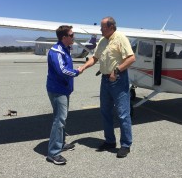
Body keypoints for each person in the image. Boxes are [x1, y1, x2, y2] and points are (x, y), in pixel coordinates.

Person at [79, 16, 135, 158]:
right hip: (105, 80)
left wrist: (116, 71)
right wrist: (84, 66)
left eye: (102, 27)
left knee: (123, 113)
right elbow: (95, 58)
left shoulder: (120, 38)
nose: (100, 29)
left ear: (111, 27)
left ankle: (126, 144)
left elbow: (131, 58)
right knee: (105, 112)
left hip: (118, 79)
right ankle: (110, 141)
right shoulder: (103, 41)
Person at [46, 25, 81, 165]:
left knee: (62, 118)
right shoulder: (57, 51)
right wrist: (77, 72)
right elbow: (62, 71)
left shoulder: (66, 49)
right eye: (72, 35)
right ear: (64, 37)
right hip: (57, 90)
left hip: (64, 89)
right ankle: (53, 153)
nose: (74, 37)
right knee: (59, 120)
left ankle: (60, 144)